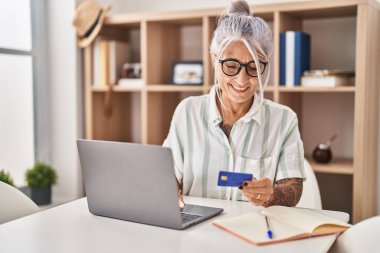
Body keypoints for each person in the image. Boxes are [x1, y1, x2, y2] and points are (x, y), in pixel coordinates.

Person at [163, 0, 305, 207]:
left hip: (252, 230)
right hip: (196, 230)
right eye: (231, 65)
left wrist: (271, 194)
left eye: (254, 67)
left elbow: (294, 189)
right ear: (214, 60)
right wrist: (169, 193)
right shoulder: (187, 111)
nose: (241, 79)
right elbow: (168, 175)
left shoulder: (284, 119)